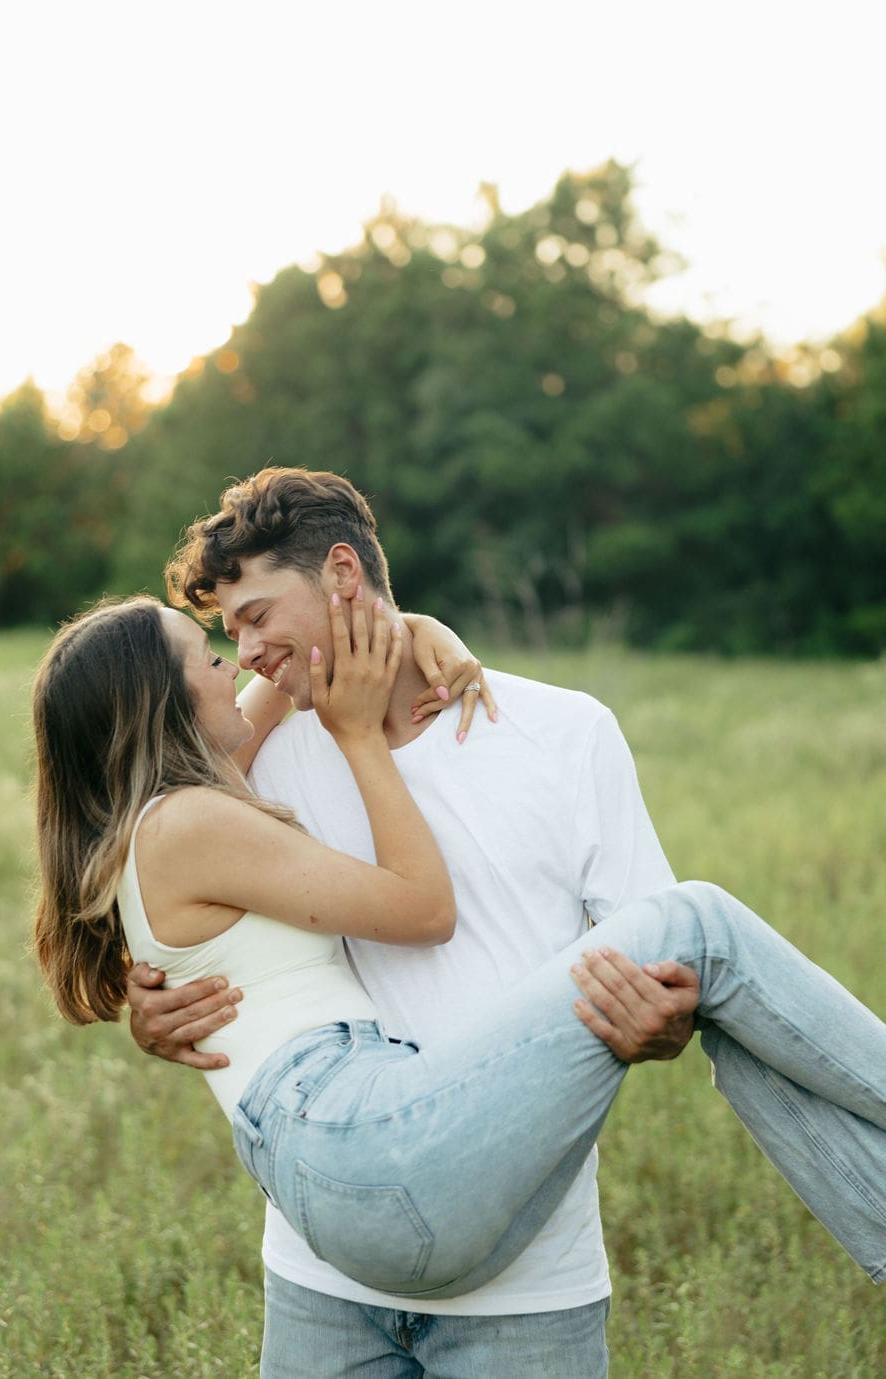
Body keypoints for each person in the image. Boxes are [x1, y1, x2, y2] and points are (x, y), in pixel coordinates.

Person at [96, 470, 883, 1377]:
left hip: (527, 1293)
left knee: (701, 935)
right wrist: (153, 1004)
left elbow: (671, 974)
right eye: (229, 632)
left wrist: (665, 1022)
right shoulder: (261, 752)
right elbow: (177, 892)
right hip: (323, 1280)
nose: (246, 651)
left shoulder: (564, 732)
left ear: (342, 573)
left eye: (259, 616)